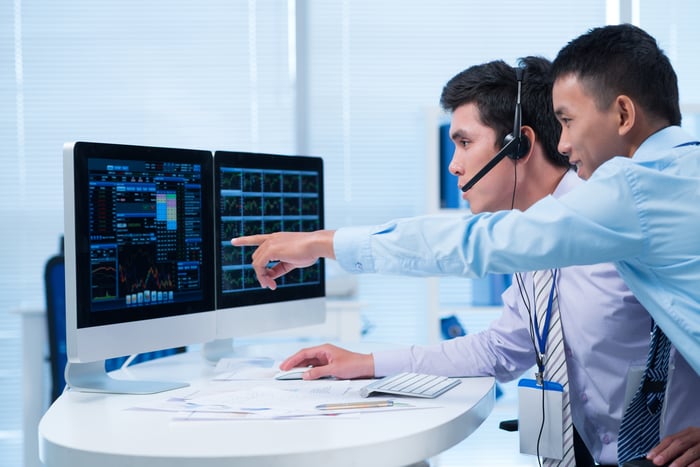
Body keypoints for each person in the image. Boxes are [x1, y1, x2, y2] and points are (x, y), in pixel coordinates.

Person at [233, 25, 700, 466]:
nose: (454, 166)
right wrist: (368, 363)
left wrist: (323, 243)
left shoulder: (626, 196)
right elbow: (502, 349)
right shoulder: (555, 236)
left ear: (519, 144)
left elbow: (472, 244)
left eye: (463, 142)